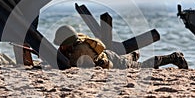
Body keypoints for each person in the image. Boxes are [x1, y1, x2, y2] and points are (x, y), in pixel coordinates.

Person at [53, 25, 188, 69]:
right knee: (129, 59)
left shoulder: (80, 50)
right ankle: (134, 54)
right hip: (109, 56)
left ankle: (173, 57)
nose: (61, 47)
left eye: (62, 45)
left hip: (113, 62)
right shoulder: (76, 43)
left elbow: (69, 65)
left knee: (142, 66)